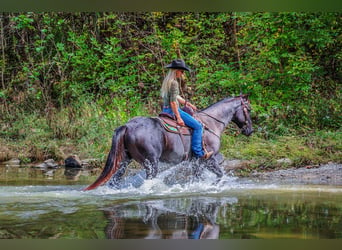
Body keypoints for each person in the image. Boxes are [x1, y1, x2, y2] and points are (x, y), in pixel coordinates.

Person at [161, 59, 213, 159]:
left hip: (165, 110)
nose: (182, 74)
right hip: (172, 110)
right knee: (198, 126)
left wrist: (187, 103)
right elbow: (173, 102)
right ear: (176, 71)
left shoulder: (167, 81)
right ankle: (199, 153)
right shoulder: (174, 83)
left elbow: (176, 96)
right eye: (182, 71)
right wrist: (179, 117)